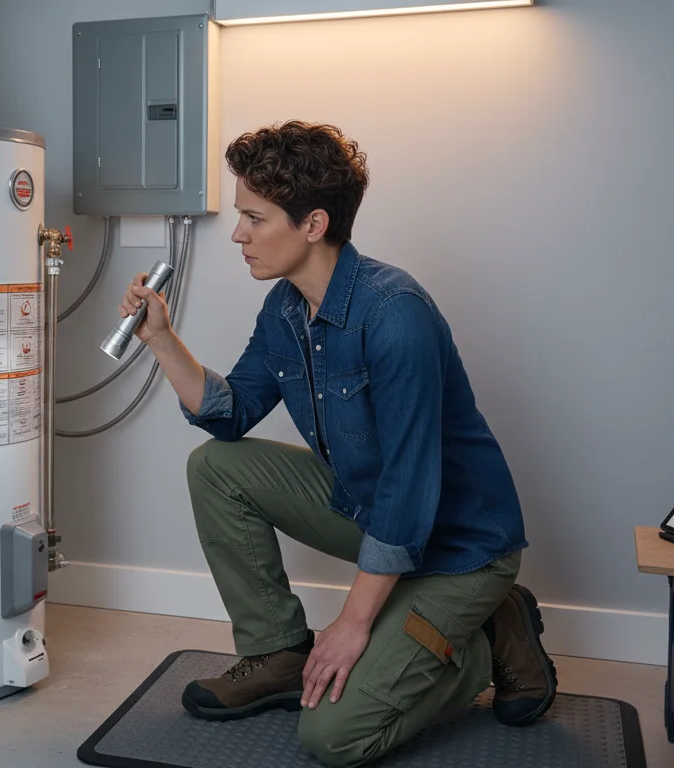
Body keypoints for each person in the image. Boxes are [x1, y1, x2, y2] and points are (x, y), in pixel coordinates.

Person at [115, 121, 557, 768]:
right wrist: (159, 338)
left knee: (333, 737)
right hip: (371, 512)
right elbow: (230, 414)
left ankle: (490, 634)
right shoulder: (287, 308)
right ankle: (276, 655)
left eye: (254, 218)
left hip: (459, 547)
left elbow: (410, 494)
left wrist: (352, 626)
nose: (237, 234)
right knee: (217, 467)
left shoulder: (394, 314)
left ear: (314, 224)